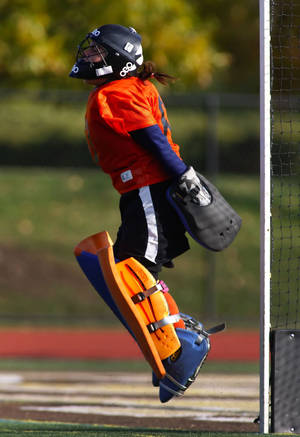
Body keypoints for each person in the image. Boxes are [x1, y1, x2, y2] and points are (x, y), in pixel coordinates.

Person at [70, 24, 224, 402]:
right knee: (130, 268)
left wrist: (183, 174)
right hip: (142, 189)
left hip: (148, 188)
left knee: (137, 269)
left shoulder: (119, 92)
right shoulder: (128, 87)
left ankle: (178, 350)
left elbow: (152, 138)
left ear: (120, 61)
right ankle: (174, 340)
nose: (90, 57)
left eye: (99, 53)